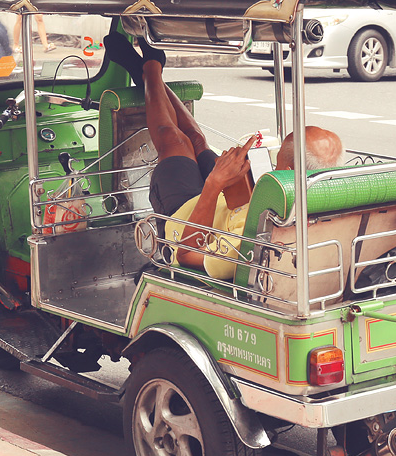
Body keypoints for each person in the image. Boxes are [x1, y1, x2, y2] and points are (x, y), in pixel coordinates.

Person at [101, 24, 345, 280]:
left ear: (287, 172)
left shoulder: (258, 237)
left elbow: (186, 256)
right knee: (196, 140)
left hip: (185, 216)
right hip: (226, 199)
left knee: (175, 140)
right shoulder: (312, 198)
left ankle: (151, 69)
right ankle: (151, 71)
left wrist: (215, 182)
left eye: (278, 160)